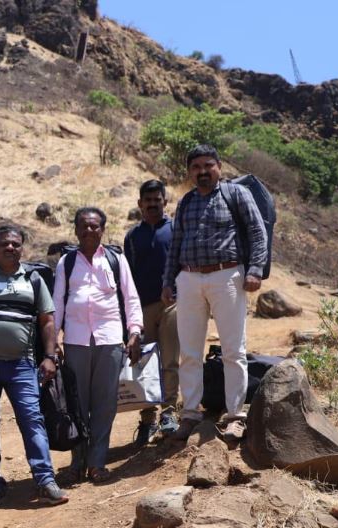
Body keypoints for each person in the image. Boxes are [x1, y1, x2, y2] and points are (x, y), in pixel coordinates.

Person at [163, 144, 268, 443]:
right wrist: (168, 281)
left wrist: (255, 270)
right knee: (189, 352)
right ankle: (190, 414)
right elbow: (176, 244)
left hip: (227, 275)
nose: (202, 172)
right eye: (196, 167)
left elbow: (257, 232)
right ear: (190, 172)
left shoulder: (236, 194)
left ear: (219, 167)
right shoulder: (185, 202)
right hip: (189, 278)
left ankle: (235, 416)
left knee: (233, 350)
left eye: (208, 165)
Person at [0, 225, 69, 511]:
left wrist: (50, 356)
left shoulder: (33, 279)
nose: (10, 248)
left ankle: (45, 481)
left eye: (15, 244)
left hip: (22, 364)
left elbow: (47, 320)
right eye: (4, 244)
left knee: (32, 419)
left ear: (22, 247)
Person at [54, 208, 143, 484]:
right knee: (77, 405)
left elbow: (131, 298)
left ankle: (97, 463)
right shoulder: (66, 262)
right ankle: (77, 463)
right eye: (84, 226)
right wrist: (54, 339)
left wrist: (135, 331)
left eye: (94, 226)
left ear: (102, 229)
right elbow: (57, 302)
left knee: (104, 404)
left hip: (110, 339)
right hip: (76, 341)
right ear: (76, 230)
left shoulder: (116, 260)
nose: (89, 231)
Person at [124, 180, 181, 445]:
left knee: (170, 361)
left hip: (172, 305)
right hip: (142, 308)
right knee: (144, 364)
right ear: (140, 204)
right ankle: (148, 419)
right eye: (148, 201)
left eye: (157, 200)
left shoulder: (175, 230)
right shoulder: (132, 237)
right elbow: (128, 277)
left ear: (165, 202)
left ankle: (169, 413)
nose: (153, 205)